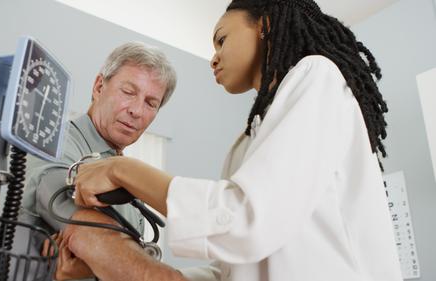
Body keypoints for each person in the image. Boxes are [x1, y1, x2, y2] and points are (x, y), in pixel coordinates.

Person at [61, 0, 404, 280]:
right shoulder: (248, 138)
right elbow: (233, 269)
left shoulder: (317, 75)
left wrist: (123, 171)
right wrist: (126, 269)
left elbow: (244, 220)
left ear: (265, 25)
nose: (213, 57)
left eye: (221, 40)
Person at [19, 41, 177, 280]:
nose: (136, 110)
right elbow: (59, 201)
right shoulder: (54, 143)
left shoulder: (129, 184)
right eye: (129, 92)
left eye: (150, 103)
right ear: (99, 86)